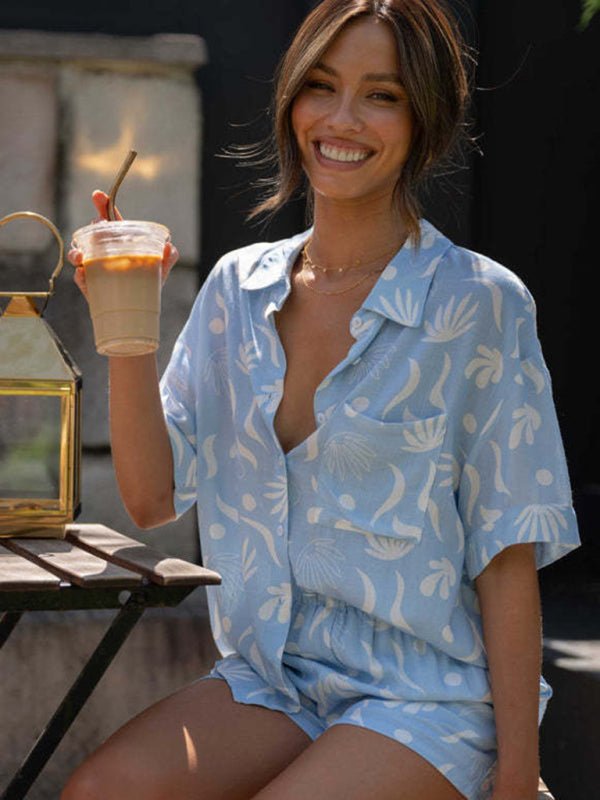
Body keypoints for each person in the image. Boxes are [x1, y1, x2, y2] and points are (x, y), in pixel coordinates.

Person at [62, 1, 580, 798]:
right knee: (104, 791)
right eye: (322, 86)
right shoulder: (236, 288)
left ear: (424, 119)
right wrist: (126, 321)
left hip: (425, 697)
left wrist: (519, 779)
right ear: (291, 101)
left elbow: (507, 559)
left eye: (382, 94)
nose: (342, 119)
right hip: (276, 681)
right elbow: (151, 496)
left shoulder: (478, 303)